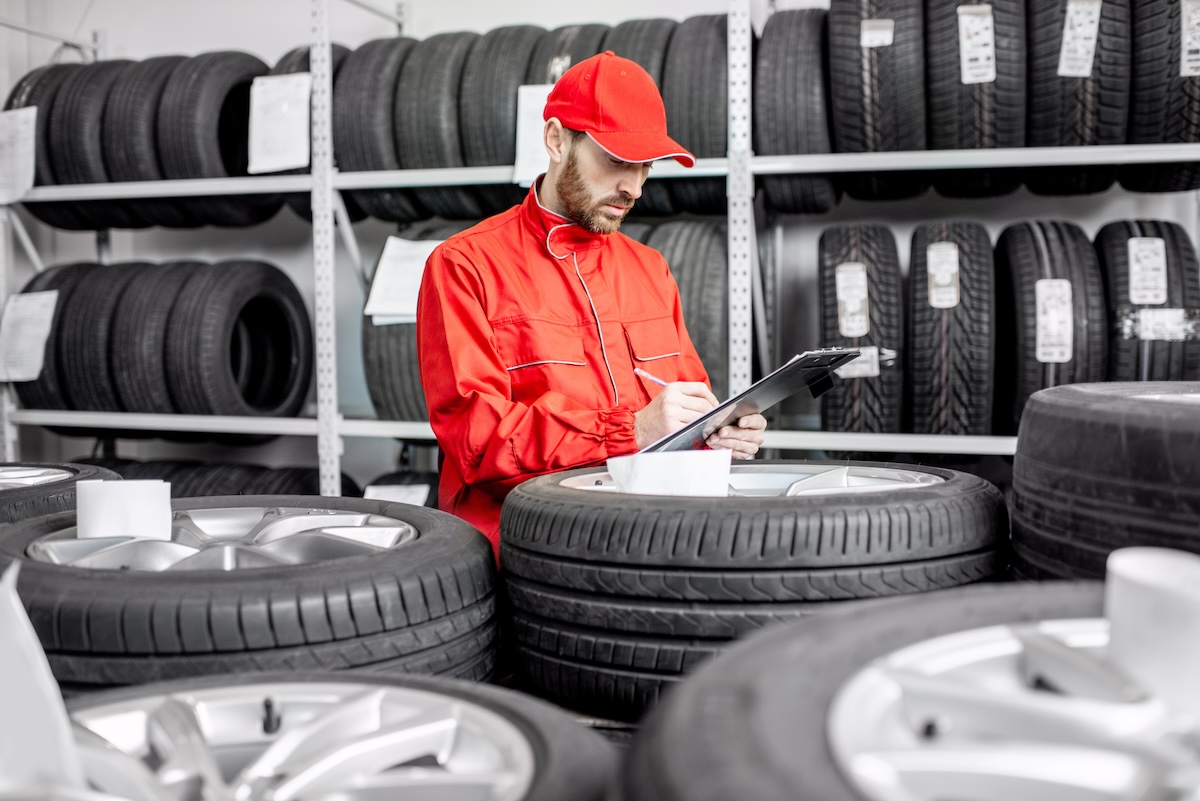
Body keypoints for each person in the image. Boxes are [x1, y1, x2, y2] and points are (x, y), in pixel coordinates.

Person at [416, 50, 767, 551]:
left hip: (645, 539)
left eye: (646, 165)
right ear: (557, 139)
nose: (634, 187)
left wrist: (719, 432)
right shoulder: (465, 265)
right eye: (617, 160)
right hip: (525, 551)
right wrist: (633, 429)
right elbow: (478, 441)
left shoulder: (651, 269)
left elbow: (684, 407)